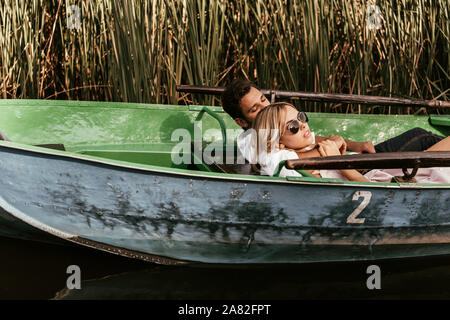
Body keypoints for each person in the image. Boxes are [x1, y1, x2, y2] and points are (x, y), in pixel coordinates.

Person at [221, 79, 445, 168]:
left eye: (263, 99)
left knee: (421, 136)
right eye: (255, 109)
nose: (264, 107)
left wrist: (350, 144)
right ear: (241, 121)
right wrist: (329, 151)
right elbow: (283, 162)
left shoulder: (275, 127)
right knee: (422, 137)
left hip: (349, 160)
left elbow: (307, 141)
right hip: (355, 168)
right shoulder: (253, 140)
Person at [252, 102, 450, 183]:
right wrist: (339, 160)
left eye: (302, 117)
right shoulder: (296, 165)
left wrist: (342, 147)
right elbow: (369, 187)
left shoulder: (308, 146)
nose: (303, 125)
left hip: (372, 170)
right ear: (279, 143)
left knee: (425, 145)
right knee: (423, 142)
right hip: (378, 176)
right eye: (293, 127)